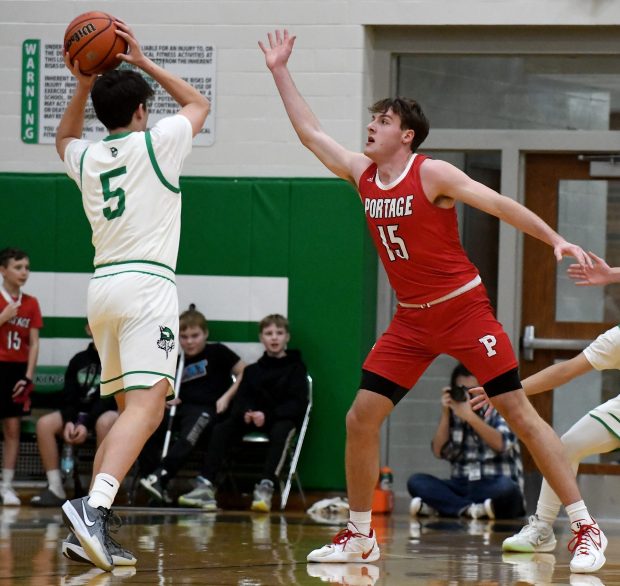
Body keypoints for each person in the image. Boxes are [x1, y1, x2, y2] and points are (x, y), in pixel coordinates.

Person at [259, 29, 605, 573]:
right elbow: (310, 134)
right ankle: (358, 533)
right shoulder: (362, 174)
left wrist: (555, 239)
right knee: (359, 418)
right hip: (412, 321)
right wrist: (280, 70)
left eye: (383, 121)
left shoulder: (433, 174)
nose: (371, 126)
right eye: (372, 120)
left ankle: (584, 527)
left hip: (464, 310)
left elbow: (499, 204)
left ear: (408, 136)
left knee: (518, 411)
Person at [55, 19, 209, 572]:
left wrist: (82, 80)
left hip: (102, 291)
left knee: (127, 414)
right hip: (146, 287)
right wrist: (141, 61)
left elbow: (64, 139)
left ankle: (88, 530)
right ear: (143, 111)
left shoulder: (89, 159)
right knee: (148, 408)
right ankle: (92, 509)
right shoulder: (159, 144)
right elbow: (198, 104)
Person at [496, 252, 620, 556]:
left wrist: (613, 274)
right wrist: (506, 390)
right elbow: (564, 371)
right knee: (568, 446)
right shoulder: (616, 339)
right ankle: (542, 528)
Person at [178, 313, 309, 513]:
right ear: (261, 338)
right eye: (269, 333)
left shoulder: (296, 369)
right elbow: (242, 399)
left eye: (279, 333)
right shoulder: (253, 371)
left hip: (280, 418)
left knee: (281, 431)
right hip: (253, 417)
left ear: (287, 337)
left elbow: (297, 404)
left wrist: (267, 415)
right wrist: (247, 413)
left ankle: (265, 487)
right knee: (223, 428)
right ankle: (205, 486)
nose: (274, 338)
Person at [139, 305, 246, 504]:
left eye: (194, 336)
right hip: (181, 409)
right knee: (148, 428)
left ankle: (161, 475)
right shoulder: (175, 361)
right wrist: (166, 397)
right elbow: (160, 389)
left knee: (192, 430)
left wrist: (227, 396)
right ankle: (153, 481)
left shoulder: (218, 352)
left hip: (209, 409)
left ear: (205, 334)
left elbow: (245, 372)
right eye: (184, 337)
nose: (189, 342)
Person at [407, 363, 525, 520]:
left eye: (473, 391)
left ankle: (446, 507)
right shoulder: (454, 412)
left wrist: (470, 417)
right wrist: (446, 413)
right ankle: (471, 509)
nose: (469, 397)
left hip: (493, 484)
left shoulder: (499, 408)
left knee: (507, 489)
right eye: (463, 390)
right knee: (417, 482)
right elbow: (438, 451)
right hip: (462, 484)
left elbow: (501, 444)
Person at [30, 328, 118, 507]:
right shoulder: (78, 360)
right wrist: (70, 421)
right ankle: (55, 487)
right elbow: (68, 396)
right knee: (44, 424)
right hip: (78, 414)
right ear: (88, 329)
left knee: (104, 423)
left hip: (102, 413)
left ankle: (97, 492)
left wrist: (86, 423)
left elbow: (109, 399)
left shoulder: (116, 360)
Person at [0, 247, 42, 506]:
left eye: (26, 267)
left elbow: (34, 344)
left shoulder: (31, 303)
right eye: (18, 267)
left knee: (13, 428)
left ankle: (6, 485)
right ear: (3, 270)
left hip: (16, 371)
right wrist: (3, 317)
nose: (24, 272)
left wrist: (28, 376)